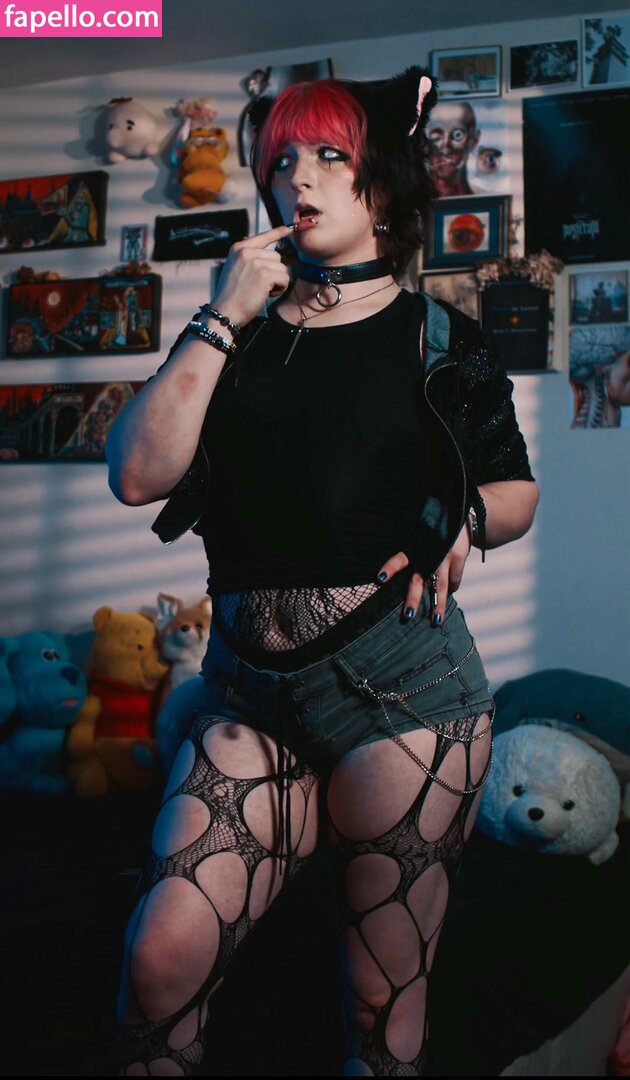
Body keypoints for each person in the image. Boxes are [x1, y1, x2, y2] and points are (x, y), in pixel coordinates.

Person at [105, 66, 539, 1076]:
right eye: (281, 160)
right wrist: (222, 315)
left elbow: (516, 493)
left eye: (329, 156)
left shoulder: (443, 338)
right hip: (246, 694)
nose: (297, 177)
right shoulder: (237, 334)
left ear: (380, 181)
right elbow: (135, 474)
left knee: (383, 1003)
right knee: (160, 961)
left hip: (405, 694)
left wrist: (462, 516)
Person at [425, 100, 480, 197]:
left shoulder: (486, 199)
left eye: (457, 135)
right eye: (436, 136)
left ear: (473, 141)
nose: (445, 148)